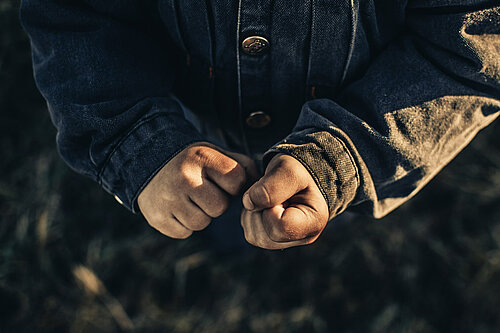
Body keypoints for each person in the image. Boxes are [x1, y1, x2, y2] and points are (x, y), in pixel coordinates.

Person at [20, 1, 499, 250]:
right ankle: (227, 234)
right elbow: (77, 15)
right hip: (187, 125)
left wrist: (344, 159)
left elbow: (470, 49)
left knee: (320, 215)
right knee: (212, 208)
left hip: (368, 126)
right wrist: (135, 138)